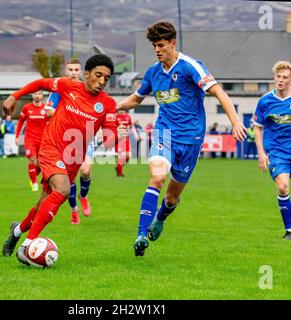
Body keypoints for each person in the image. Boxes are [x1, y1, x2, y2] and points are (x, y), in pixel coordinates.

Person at [117, 21, 247, 256]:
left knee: (171, 197)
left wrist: (236, 121)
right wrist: (113, 107)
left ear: (173, 43)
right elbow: (135, 100)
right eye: (154, 46)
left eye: (161, 45)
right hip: (164, 133)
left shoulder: (190, 67)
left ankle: (160, 217)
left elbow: (218, 91)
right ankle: (140, 235)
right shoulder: (153, 72)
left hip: (191, 139)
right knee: (157, 177)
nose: (157, 50)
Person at [1, 54, 124, 265]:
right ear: (87, 74)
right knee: (63, 190)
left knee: (44, 202)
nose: (102, 81)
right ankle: (26, 246)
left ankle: (18, 230)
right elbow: (41, 83)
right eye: (98, 75)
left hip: (73, 159)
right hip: (51, 148)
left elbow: (109, 140)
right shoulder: (68, 86)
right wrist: (15, 95)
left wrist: (115, 136)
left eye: (107, 78)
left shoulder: (108, 105)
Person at [46, 58, 94, 225]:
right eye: (70, 69)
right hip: (65, 140)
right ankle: (74, 210)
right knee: (70, 179)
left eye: (76, 69)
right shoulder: (59, 89)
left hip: (85, 136)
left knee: (86, 170)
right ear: (66, 72)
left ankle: (84, 196)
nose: (73, 72)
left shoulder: (86, 88)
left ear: (80, 72)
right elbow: (49, 112)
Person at [253, 60, 291, 239]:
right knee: (283, 187)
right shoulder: (265, 101)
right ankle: (289, 230)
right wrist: (261, 152)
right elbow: (258, 127)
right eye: (278, 76)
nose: (281, 80)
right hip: (277, 152)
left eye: (285, 77)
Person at [15, 91, 48, 192]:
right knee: (33, 159)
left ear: (42, 96)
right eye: (35, 94)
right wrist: (17, 136)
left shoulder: (46, 108)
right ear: (32, 95)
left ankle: (33, 176)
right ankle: (34, 183)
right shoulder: (26, 108)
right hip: (30, 139)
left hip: (43, 139)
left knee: (40, 164)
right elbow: (20, 122)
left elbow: (51, 122)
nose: (37, 96)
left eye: (39, 94)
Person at [115, 109, 133, 177]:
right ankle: (120, 174)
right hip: (118, 139)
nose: (121, 111)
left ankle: (119, 167)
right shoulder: (116, 117)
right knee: (120, 156)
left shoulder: (128, 116)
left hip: (126, 138)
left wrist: (136, 135)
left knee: (128, 156)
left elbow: (131, 126)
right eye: (120, 109)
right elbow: (112, 127)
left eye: (123, 109)